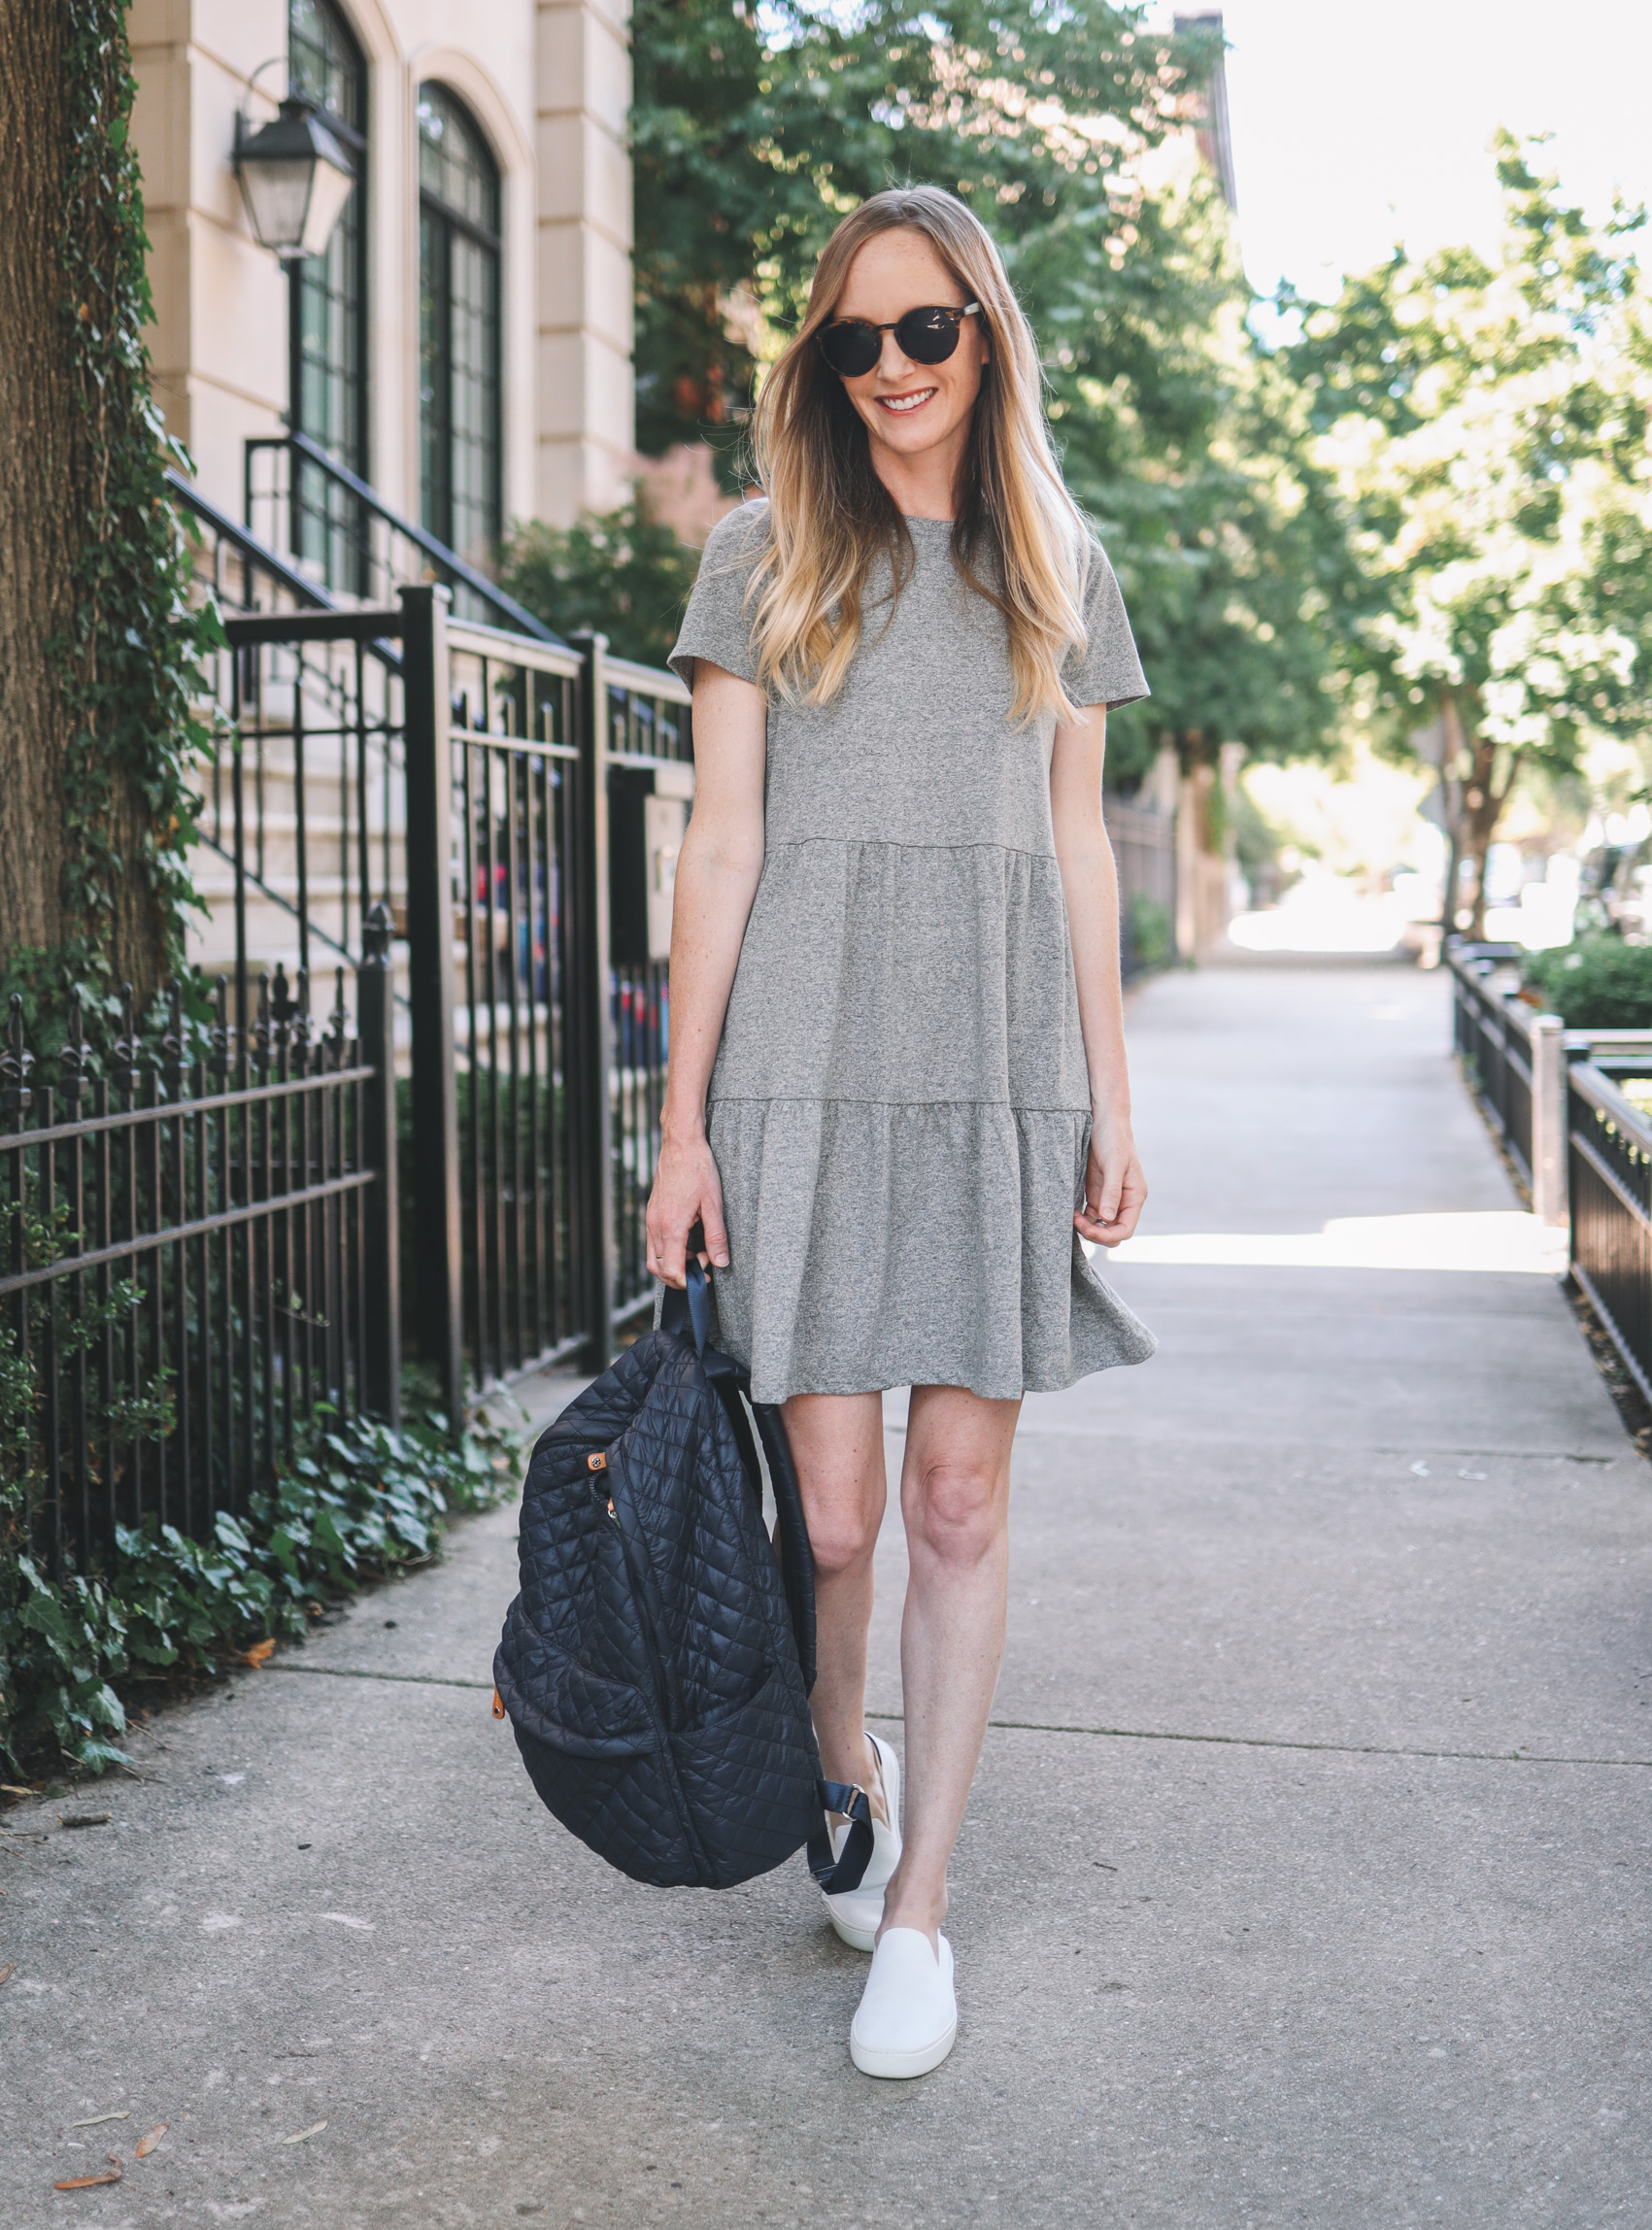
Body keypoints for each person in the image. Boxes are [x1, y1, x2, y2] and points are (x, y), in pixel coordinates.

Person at [647, 184, 1155, 2079]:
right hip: (801, 1067)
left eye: (921, 332)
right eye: (851, 341)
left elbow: (1083, 842)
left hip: (994, 1068)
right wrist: (680, 1125)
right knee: (836, 1513)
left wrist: (1111, 1088)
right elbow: (719, 842)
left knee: (954, 1502)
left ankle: (920, 1909)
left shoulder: (1056, 560)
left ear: (985, 333)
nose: (887, 371)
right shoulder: (762, 553)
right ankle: (831, 1760)